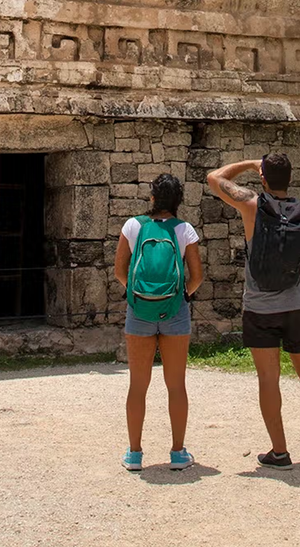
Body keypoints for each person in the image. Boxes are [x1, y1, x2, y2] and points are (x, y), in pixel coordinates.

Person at [207, 152, 300, 468]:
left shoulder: (252, 204)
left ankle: (280, 451)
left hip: (260, 305)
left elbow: (215, 179)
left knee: (269, 378)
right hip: (296, 304)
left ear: (264, 178)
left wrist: (248, 165)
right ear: (290, 178)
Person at [113, 173, 203, 472]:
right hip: (175, 311)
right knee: (176, 385)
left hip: (139, 310)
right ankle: (178, 453)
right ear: (178, 201)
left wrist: (137, 296)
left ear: (152, 197)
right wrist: (179, 296)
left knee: (138, 385)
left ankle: (135, 453)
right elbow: (197, 277)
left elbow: (119, 270)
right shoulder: (185, 230)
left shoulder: (134, 225)